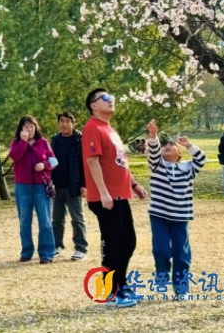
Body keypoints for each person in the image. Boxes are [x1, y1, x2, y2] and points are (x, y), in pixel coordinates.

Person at [82, 89, 148, 308]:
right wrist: (102, 192)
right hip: (105, 197)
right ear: (93, 106)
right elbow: (93, 162)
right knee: (114, 244)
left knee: (128, 242)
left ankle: (121, 285)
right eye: (105, 98)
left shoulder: (110, 129)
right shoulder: (92, 127)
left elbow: (121, 163)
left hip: (120, 194)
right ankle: (109, 292)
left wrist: (135, 184)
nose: (111, 101)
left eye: (112, 97)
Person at [146, 120, 206, 297]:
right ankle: (162, 273)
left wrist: (189, 145)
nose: (167, 146)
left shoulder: (188, 168)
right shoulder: (157, 166)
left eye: (172, 145)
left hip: (181, 216)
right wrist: (153, 136)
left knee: (181, 252)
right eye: (165, 146)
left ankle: (181, 287)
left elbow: (201, 159)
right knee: (161, 249)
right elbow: (153, 152)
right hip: (159, 215)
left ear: (180, 153)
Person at [9, 115, 57, 264]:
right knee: (24, 220)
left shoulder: (43, 143)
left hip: (41, 186)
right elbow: (15, 157)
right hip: (23, 186)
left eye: (31, 126)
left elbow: (53, 160)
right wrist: (23, 142)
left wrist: (44, 165)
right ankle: (26, 252)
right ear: (21, 128)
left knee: (45, 221)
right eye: (26, 126)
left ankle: (46, 253)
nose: (29, 129)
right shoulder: (16, 142)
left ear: (36, 128)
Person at [50, 112, 88, 261]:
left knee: (77, 219)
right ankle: (57, 246)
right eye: (61, 121)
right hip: (56, 185)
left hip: (74, 185)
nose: (64, 124)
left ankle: (80, 248)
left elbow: (85, 165)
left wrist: (84, 185)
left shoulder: (80, 140)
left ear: (74, 124)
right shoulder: (55, 140)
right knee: (56, 218)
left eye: (67, 121)